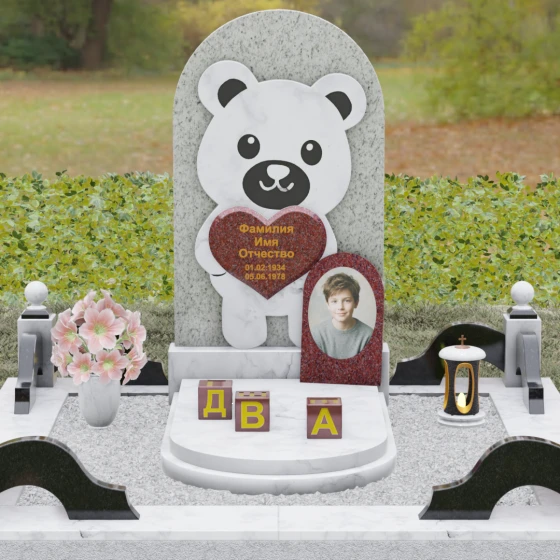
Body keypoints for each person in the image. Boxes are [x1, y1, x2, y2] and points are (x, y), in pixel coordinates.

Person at [311, 272, 373, 359]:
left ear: (356, 303)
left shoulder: (368, 335)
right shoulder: (316, 334)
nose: (340, 307)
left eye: (347, 300)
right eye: (334, 301)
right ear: (328, 304)